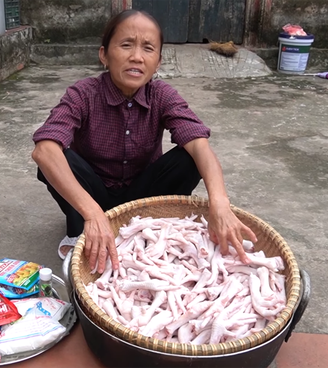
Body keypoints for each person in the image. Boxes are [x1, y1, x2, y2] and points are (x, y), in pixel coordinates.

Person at [31, 9, 257, 273]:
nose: (136, 57)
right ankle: (83, 229)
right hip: (93, 195)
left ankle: (149, 226)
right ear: (104, 54)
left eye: (148, 49)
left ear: (158, 62)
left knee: (188, 157)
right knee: (57, 157)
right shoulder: (83, 94)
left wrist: (219, 203)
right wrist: (93, 213)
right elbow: (44, 151)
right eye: (126, 45)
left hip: (142, 198)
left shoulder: (162, 95)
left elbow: (199, 144)